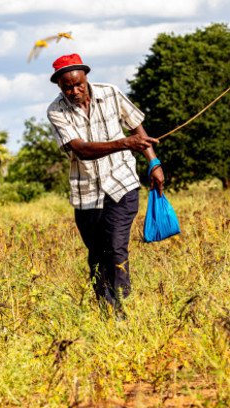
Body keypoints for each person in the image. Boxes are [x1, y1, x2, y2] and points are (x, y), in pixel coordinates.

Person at [46, 53, 164, 314]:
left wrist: (153, 162)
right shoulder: (56, 111)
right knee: (97, 254)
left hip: (122, 183)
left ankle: (122, 307)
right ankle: (105, 308)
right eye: (67, 87)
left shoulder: (110, 93)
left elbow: (136, 126)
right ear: (58, 85)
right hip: (86, 191)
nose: (74, 91)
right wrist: (124, 144)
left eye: (78, 84)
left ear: (86, 77)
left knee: (115, 246)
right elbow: (80, 149)